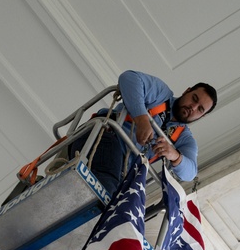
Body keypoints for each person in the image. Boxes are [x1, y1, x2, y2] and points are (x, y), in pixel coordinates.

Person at [84, 70, 217, 194]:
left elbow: (190, 173)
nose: (192, 107)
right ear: (186, 91)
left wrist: (175, 155)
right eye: (194, 98)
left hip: (122, 172)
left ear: (202, 116)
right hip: (102, 139)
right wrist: (141, 118)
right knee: (107, 194)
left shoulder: (184, 138)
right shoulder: (161, 95)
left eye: (200, 109)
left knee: (123, 204)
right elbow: (129, 78)